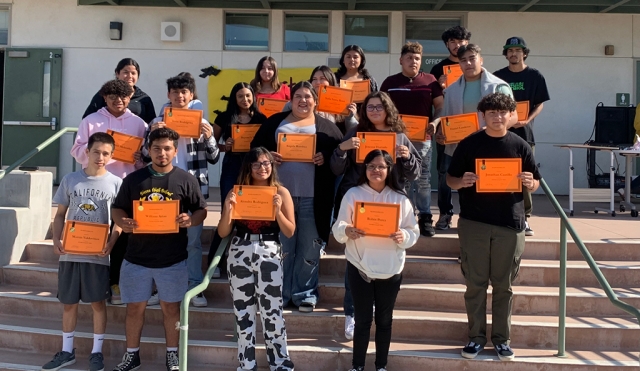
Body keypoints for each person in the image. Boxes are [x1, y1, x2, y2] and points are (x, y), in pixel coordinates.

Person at [446, 93, 540, 361]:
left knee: (504, 285)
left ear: (511, 114)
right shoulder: (469, 144)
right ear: (483, 116)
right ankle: (475, 338)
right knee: (475, 284)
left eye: (502, 113)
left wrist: (529, 182)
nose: (497, 117)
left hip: (510, 224)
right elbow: (450, 180)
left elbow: (536, 183)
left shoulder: (520, 145)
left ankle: (502, 339)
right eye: (492, 113)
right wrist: (461, 181)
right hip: (474, 222)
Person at [111, 127, 208, 371]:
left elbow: (201, 209)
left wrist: (191, 220)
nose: (161, 153)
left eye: (167, 148)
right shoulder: (134, 179)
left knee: (171, 309)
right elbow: (117, 208)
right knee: (134, 308)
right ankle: (132, 355)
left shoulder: (186, 179)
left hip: (172, 259)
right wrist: (123, 222)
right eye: (156, 148)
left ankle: (172, 355)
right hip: (136, 258)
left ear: (175, 151)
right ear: (148, 150)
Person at [330, 91, 421, 340]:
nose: (374, 110)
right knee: (356, 258)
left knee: (382, 254)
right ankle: (352, 312)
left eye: (379, 106)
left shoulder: (400, 137)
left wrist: (408, 157)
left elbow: (414, 174)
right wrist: (342, 148)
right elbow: (336, 168)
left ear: (388, 109)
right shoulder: (355, 133)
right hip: (358, 203)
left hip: (389, 206)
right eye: (370, 107)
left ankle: (374, 309)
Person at [251, 81, 342, 312]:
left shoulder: (326, 127)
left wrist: (325, 156)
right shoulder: (275, 123)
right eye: (298, 96)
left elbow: (340, 156)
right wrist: (268, 156)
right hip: (281, 198)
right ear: (290, 100)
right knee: (283, 247)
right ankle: (280, 293)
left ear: (316, 101)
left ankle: (305, 294)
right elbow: (254, 151)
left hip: (314, 197)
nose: (303, 100)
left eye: (308, 97)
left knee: (310, 248)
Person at [333, 149, 419, 371]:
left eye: (381, 166)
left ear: (389, 169)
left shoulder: (400, 199)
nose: (376, 170)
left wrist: (405, 236)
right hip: (360, 265)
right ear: (365, 169)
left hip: (390, 268)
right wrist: (347, 231)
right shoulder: (353, 194)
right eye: (371, 166)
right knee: (362, 321)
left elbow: (413, 231)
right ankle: (357, 366)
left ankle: (381, 366)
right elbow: (338, 226)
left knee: (384, 321)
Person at [42, 132, 122, 371]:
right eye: (96, 151)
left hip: (98, 255)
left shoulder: (116, 183)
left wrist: (112, 242)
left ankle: (96, 352)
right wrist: (56, 239)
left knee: (98, 302)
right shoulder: (70, 179)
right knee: (69, 303)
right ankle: (67, 351)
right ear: (87, 152)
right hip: (70, 252)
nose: (100, 157)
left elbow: (119, 221)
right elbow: (59, 215)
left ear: (112, 156)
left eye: (106, 153)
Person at [217, 147, 296, 371]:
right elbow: (223, 232)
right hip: (239, 250)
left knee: (272, 311)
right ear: (248, 167)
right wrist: (227, 209)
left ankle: (280, 361)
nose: (263, 168)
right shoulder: (238, 191)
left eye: (266, 163)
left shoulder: (281, 192)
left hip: (269, 250)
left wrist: (278, 211)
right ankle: (246, 363)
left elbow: (290, 231)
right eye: (257, 164)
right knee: (243, 311)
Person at [71, 79, 148, 306]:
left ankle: (115, 282)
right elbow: (76, 150)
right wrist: (97, 155)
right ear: (105, 98)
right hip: (96, 186)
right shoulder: (91, 121)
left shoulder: (139, 124)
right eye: (113, 97)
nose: (119, 101)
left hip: (125, 186)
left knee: (122, 237)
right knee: (97, 234)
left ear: (129, 98)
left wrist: (139, 160)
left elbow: (145, 157)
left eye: (123, 97)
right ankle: (95, 285)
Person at [145, 73, 219, 307]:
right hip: (162, 189)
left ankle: (195, 287)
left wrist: (209, 139)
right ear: (169, 95)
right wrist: (152, 134)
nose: (179, 96)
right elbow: (145, 155)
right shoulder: (157, 121)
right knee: (161, 241)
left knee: (193, 243)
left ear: (191, 95)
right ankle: (161, 288)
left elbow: (215, 157)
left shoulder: (202, 122)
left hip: (193, 189)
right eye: (175, 92)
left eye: (184, 92)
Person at [435, 44, 515, 231]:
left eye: (472, 58)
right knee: (448, 178)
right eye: (463, 60)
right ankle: (446, 214)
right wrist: (441, 133)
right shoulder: (451, 90)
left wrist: (492, 130)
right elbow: (445, 119)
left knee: (482, 182)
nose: (468, 63)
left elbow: (514, 116)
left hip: (488, 144)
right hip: (457, 146)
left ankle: (488, 220)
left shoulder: (498, 85)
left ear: (481, 59)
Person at [380, 41, 443, 237]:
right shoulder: (390, 82)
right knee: (402, 179)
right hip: (396, 139)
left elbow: (440, 107)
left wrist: (436, 122)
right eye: (409, 58)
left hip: (422, 138)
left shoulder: (430, 81)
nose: (413, 61)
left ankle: (425, 217)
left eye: (417, 58)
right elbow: (382, 108)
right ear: (401, 60)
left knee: (423, 179)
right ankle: (404, 217)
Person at [208, 82, 267, 273]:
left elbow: (265, 148)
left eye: (248, 96)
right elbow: (213, 146)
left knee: (251, 212)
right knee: (228, 212)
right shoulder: (224, 117)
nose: (245, 100)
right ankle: (214, 263)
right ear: (234, 98)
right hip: (232, 168)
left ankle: (247, 261)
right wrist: (227, 146)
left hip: (253, 169)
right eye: (241, 96)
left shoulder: (260, 118)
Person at [493, 36, 550, 236]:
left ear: (524, 53)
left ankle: (524, 217)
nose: (513, 53)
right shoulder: (497, 77)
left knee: (525, 176)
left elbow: (540, 103)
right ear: (506, 54)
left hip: (525, 134)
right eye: (509, 50)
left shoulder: (535, 76)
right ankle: (499, 214)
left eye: (517, 50)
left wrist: (527, 120)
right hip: (500, 134)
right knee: (497, 173)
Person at [430, 27, 471, 227]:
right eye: (453, 42)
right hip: (447, 128)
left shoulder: (473, 66)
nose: (458, 45)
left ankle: (469, 214)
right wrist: (439, 85)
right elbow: (435, 103)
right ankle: (445, 213)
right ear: (447, 45)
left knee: (470, 172)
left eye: (461, 41)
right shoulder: (438, 69)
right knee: (444, 172)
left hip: (471, 129)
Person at [283, 65, 358, 133]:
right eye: (314, 79)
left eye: (322, 78)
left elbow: (353, 132)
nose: (318, 82)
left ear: (330, 80)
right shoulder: (299, 102)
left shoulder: (342, 101)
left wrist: (350, 117)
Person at [83, 58, 156, 124]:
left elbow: (151, 123)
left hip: (133, 138)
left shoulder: (144, 98)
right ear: (117, 74)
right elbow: (88, 119)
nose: (130, 76)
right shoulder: (105, 93)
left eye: (133, 73)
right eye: (125, 72)